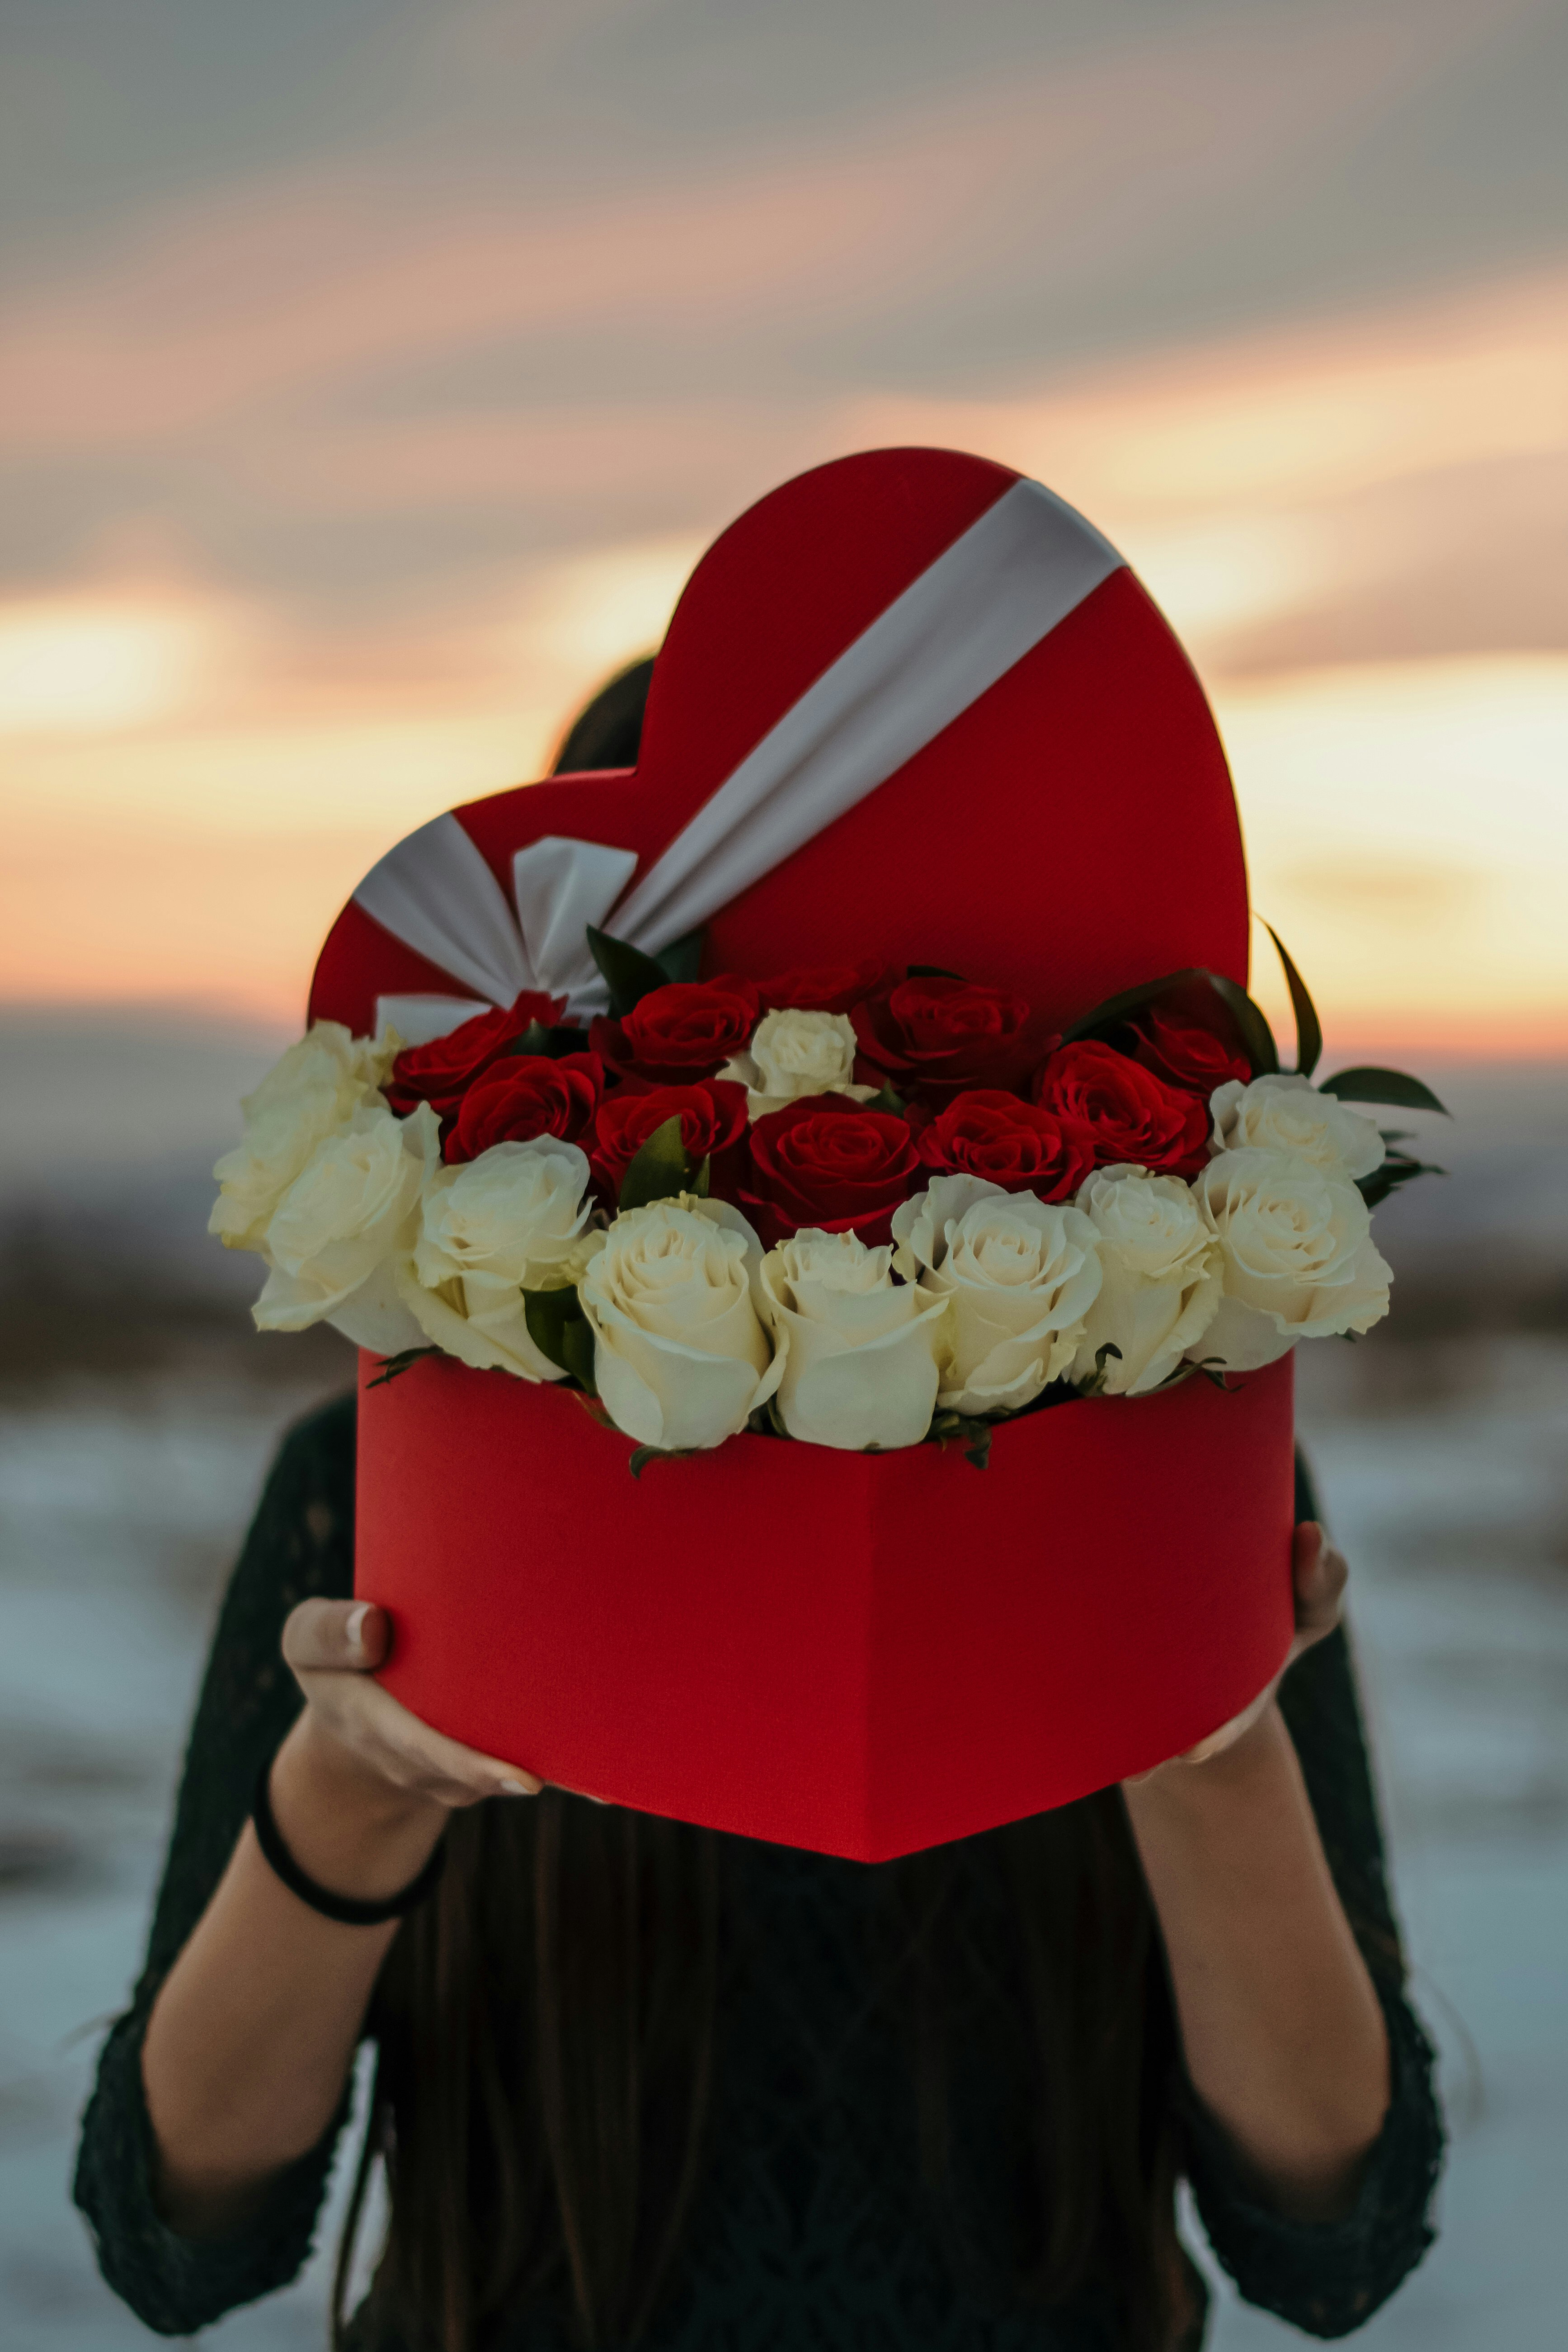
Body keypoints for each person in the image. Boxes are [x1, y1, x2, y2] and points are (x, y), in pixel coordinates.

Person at [74, 666, 1443, 2352]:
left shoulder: (1168, 1475)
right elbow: (178, 2232)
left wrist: (1203, 1749)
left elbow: (1335, 2231)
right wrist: (354, 1789)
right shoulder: (363, 1492)